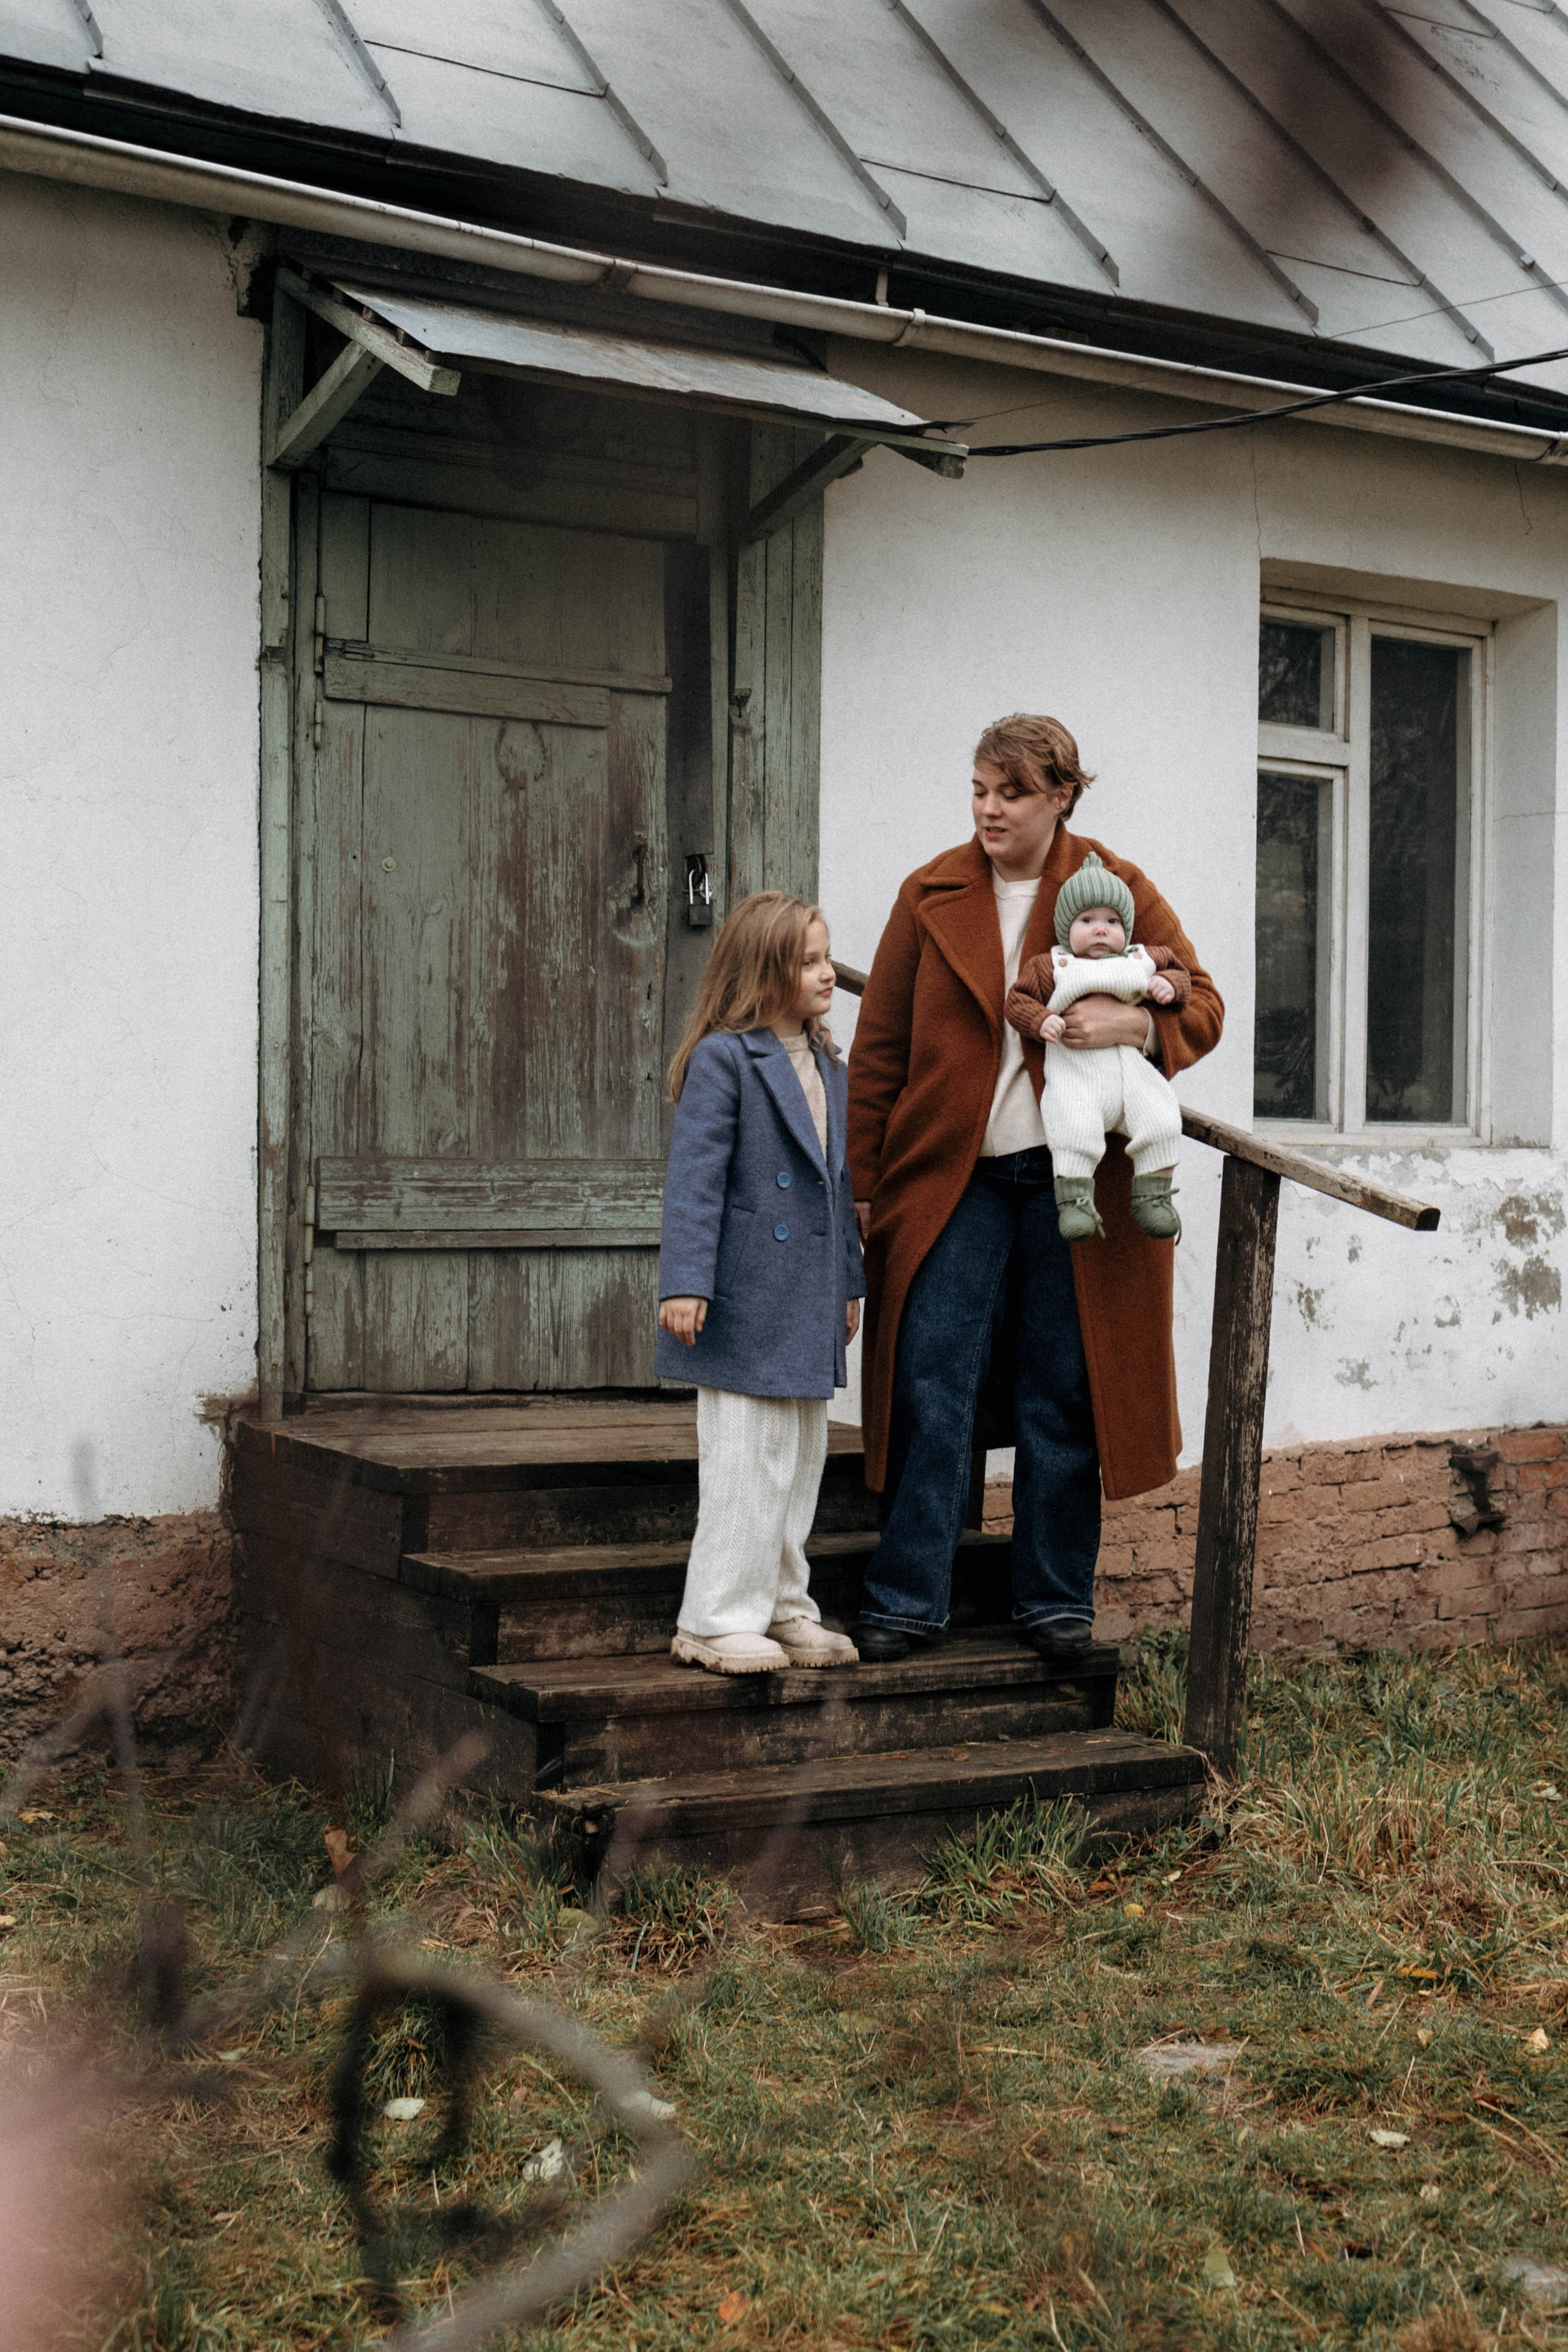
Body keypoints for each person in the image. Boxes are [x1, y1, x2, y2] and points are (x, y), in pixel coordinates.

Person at [847, 713, 1223, 1665]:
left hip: (1081, 1183)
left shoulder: (1115, 888)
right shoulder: (928, 891)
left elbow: (1204, 1003)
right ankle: (904, 1598)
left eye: (1010, 793)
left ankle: (1055, 1599)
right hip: (950, 1181)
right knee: (935, 1376)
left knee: (1064, 1385)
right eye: (978, 789)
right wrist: (861, 1192)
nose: (988, 810)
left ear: (1061, 796)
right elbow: (879, 1054)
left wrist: (1137, 1033)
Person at [657, 891, 865, 1675]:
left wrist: (848, 1280)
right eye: (808, 961)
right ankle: (713, 1617)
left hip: (806, 1294)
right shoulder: (724, 1059)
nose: (826, 974)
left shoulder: (827, 1064)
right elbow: (695, 1182)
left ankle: (782, 1606)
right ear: (765, 971)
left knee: (799, 1459)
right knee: (745, 1460)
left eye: (825, 956)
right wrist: (685, 1282)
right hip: (742, 1297)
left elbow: (836, 1186)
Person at [1006, 850, 1192, 1243]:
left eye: (1112, 921)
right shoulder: (1051, 967)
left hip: (1133, 1070)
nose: (1101, 930)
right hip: (1077, 1075)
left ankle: (1153, 1195)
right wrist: (1041, 1022)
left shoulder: (1143, 958)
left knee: (1161, 1118)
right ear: (1066, 928)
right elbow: (1016, 1002)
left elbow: (1182, 974)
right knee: (1072, 1127)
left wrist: (1170, 986)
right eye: (1087, 921)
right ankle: (1075, 1202)